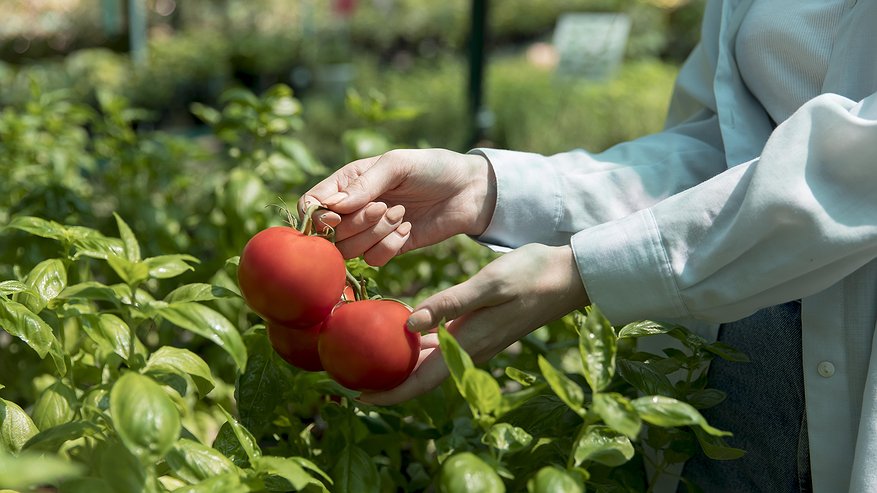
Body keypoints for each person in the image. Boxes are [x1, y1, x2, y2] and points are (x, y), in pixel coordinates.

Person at [300, 0, 877, 491]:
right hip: (735, 360)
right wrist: (487, 188)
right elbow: (728, 146)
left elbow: (858, 166)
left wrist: (584, 272)